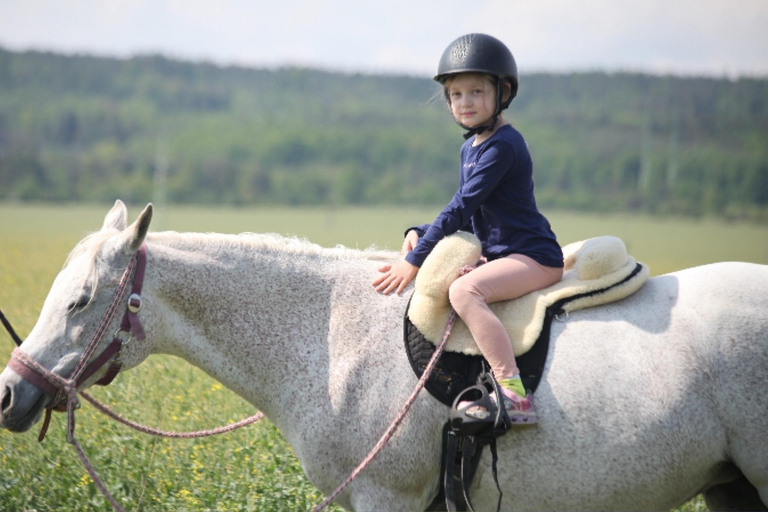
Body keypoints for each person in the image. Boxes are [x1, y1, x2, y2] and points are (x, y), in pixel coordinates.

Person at [372, 34, 563, 425]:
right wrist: (421, 230)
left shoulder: (502, 146)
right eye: (456, 94)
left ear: (502, 92)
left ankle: (514, 396)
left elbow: (460, 208)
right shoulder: (472, 146)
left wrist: (415, 258)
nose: (466, 102)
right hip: (502, 254)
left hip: (533, 256)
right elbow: (472, 212)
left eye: (476, 91)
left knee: (465, 290)